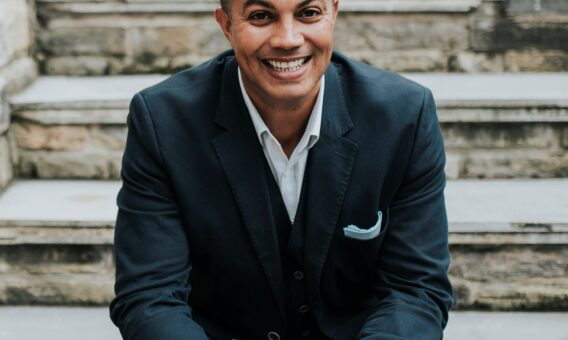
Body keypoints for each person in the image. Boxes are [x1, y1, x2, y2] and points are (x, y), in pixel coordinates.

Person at [109, 0, 453, 339]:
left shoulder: (405, 116)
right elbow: (149, 298)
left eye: (308, 13)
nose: (287, 39)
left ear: (333, 12)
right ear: (227, 25)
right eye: (261, 16)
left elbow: (416, 290)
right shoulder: (162, 121)